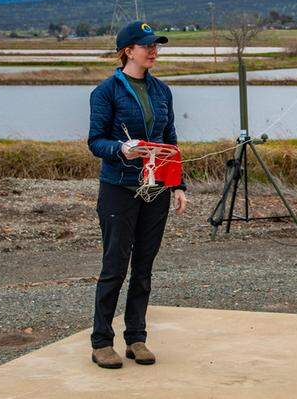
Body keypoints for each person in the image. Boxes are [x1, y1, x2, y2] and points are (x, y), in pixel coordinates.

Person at [87, 20, 188, 369]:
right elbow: (95, 141)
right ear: (128, 50)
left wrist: (178, 185)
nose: (154, 51)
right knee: (114, 267)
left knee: (143, 268)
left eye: (156, 46)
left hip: (156, 190)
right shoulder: (106, 91)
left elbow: (171, 141)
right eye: (148, 46)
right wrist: (120, 149)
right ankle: (101, 342)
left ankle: (136, 339)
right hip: (119, 189)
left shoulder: (162, 92)